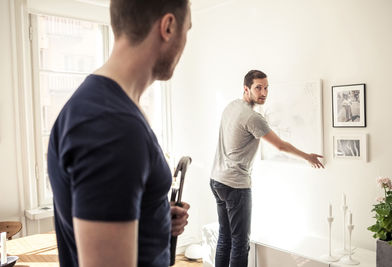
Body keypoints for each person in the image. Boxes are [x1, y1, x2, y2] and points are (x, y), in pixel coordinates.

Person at [47, 1, 192, 266]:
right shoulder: (111, 125)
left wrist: (156, 215)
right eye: (187, 30)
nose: (185, 44)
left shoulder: (111, 109)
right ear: (168, 26)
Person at [210, 70, 324, 267]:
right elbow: (281, 146)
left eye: (266, 88)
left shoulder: (231, 106)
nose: (263, 92)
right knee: (240, 243)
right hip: (236, 185)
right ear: (246, 88)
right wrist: (308, 157)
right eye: (258, 88)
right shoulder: (253, 118)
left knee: (225, 237)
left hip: (217, 180)